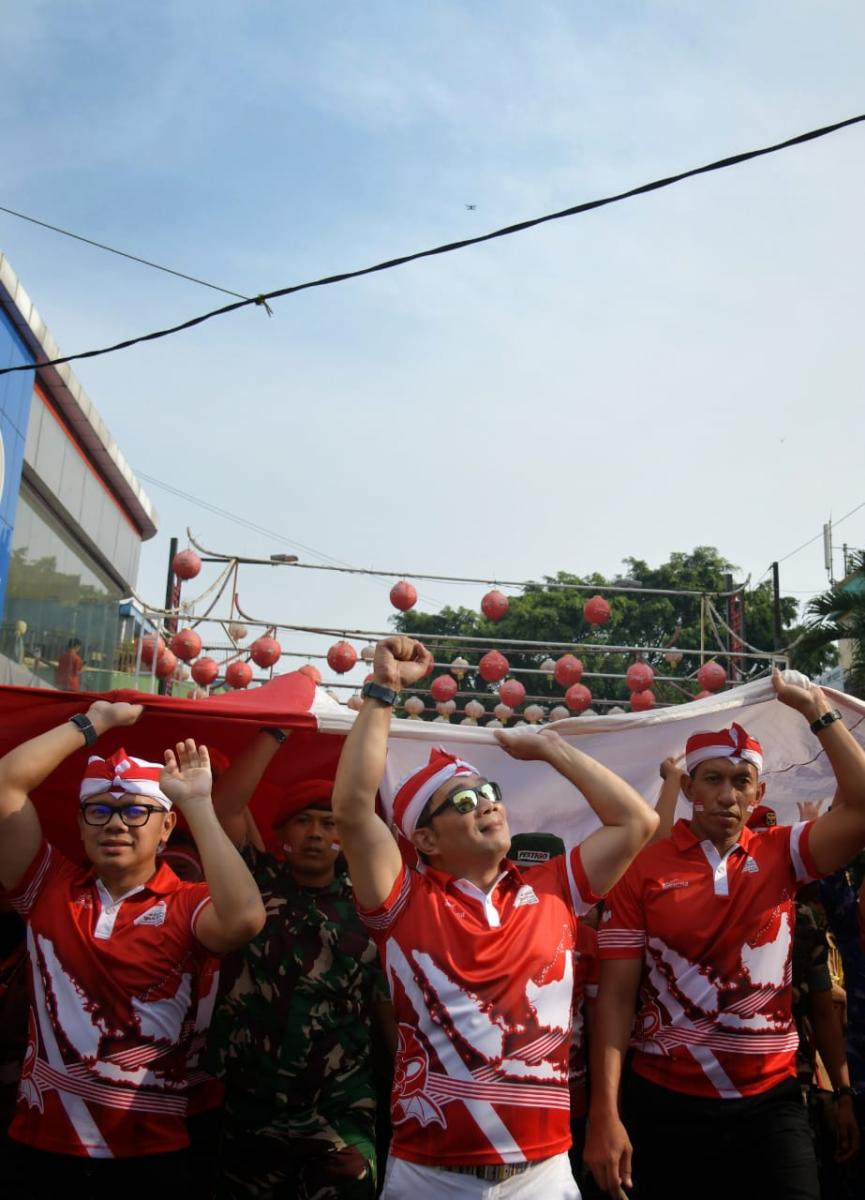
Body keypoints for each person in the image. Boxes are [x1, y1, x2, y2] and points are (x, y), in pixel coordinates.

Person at [331, 636, 659, 1198]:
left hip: (544, 1176)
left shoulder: (554, 886)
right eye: (462, 801)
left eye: (489, 791)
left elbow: (637, 823)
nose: (485, 802)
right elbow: (353, 809)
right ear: (426, 839)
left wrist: (552, 750)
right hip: (428, 1177)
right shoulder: (402, 899)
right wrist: (383, 688)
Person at [586, 670, 865, 1200]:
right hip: (666, 1101)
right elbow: (615, 999)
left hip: (772, 1103)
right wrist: (606, 1112)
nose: (727, 795)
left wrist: (815, 711)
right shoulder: (641, 870)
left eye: (741, 782)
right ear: (687, 787)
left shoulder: (783, 851)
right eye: (712, 779)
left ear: (759, 790)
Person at [0, 700, 266, 1197]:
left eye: (135, 810)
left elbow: (246, 918)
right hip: (39, 1148)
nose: (115, 824)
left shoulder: (189, 904)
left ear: (166, 828)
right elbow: (4, 787)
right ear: (80, 825)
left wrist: (197, 805)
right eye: (98, 810)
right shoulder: (46, 886)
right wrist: (94, 722)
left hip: (150, 1156)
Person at [207, 727, 391, 1200]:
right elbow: (225, 808)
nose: (316, 833)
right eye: (303, 822)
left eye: (330, 824)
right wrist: (275, 729)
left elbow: (384, 1004)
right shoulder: (253, 882)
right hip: (253, 1102)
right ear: (282, 835)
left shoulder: (371, 904)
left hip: (340, 1102)